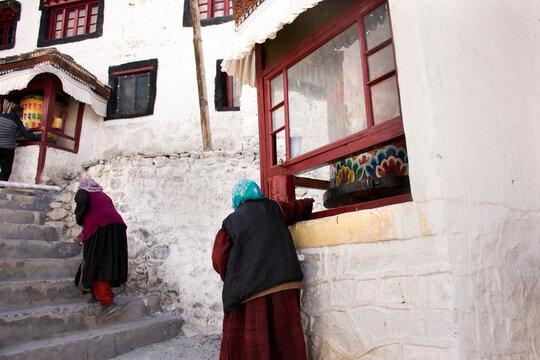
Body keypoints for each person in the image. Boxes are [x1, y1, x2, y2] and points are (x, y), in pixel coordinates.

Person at [212, 179, 314, 360]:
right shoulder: (276, 209)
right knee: (285, 343)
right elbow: (298, 208)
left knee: (253, 346)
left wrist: (235, 277)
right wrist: (310, 202)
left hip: (250, 294)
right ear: (256, 192)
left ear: (237, 200)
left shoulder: (231, 223)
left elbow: (219, 259)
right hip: (285, 287)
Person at [74, 177, 128, 318]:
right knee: (107, 262)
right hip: (118, 228)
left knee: (95, 264)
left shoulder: (83, 192)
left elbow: (83, 204)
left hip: (101, 230)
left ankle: (107, 302)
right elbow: (100, 214)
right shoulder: (103, 196)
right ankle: (99, 294)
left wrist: (79, 218)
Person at [0, 105, 40, 181]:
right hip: (7, 149)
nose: (22, 115)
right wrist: (37, 138)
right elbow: (27, 135)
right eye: (22, 113)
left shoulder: (1, 116)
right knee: (6, 169)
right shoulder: (17, 121)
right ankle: (1, 188)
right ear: (18, 112)